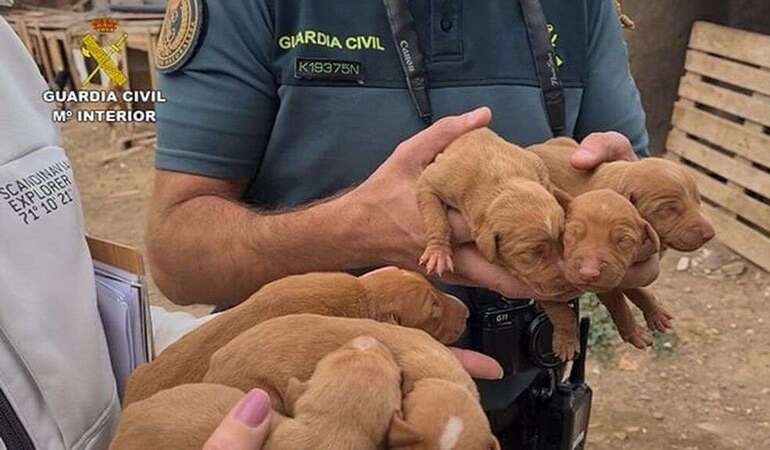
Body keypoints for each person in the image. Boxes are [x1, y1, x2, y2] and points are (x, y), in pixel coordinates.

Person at [150, 0, 659, 447]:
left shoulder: (585, 7)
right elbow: (177, 256)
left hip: (517, 408)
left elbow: (632, 191)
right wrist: (356, 229)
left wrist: (621, 203)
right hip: (299, 424)